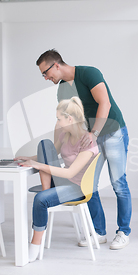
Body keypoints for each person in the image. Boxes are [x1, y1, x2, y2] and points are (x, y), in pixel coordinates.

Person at [36, 49, 131, 250]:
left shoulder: (89, 73)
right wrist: (54, 148)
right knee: (88, 185)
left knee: (118, 183)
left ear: (56, 65)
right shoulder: (62, 89)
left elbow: (103, 103)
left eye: (46, 72)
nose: (45, 77)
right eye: (43, 75)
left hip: (112, 131)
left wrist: (94, 133)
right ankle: (98, 231)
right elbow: (63, 120)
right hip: (90, 139)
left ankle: (123, 231)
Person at [17, 97, 99, 263]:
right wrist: (30, 159)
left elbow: (70, 173)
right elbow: (49, 152)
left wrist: (38, 165)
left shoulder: (88, 141)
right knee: (44, 144)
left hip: (78, 187)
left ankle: (35, 245)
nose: (57, 122)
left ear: (70, 119)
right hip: (62, 182)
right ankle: (48, 192)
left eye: (59, 119)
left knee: (40, 199)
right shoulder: (65, 135)